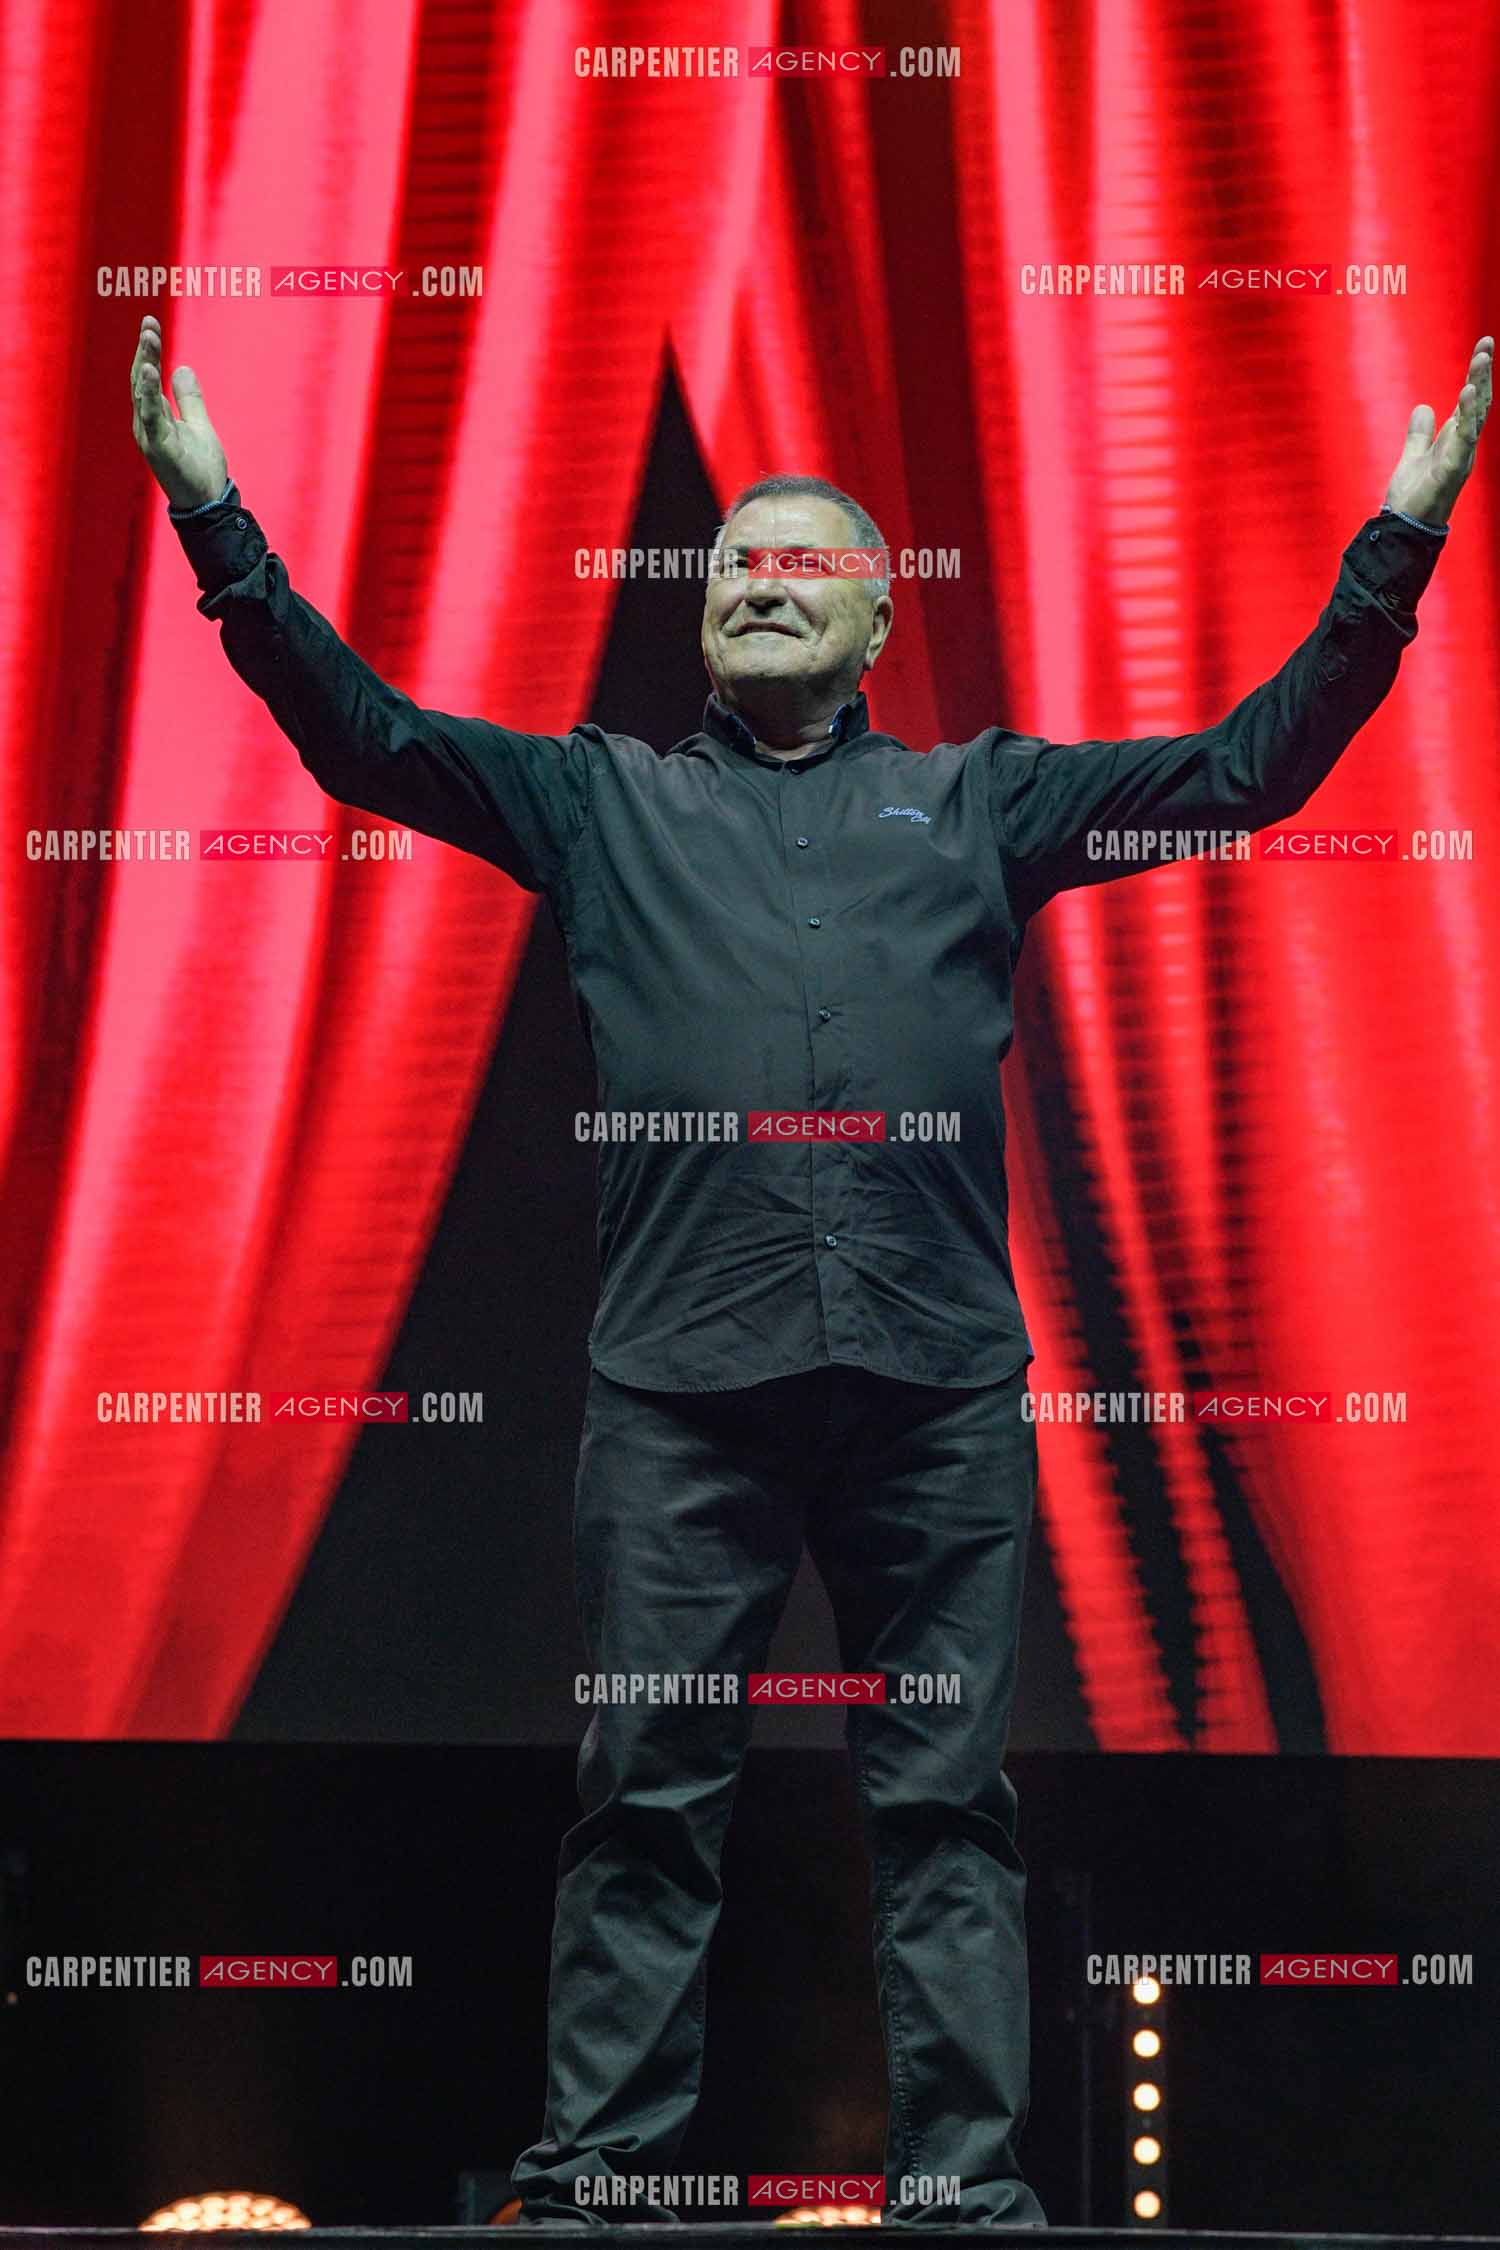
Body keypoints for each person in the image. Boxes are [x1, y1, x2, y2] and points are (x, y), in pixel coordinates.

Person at [131, 314, 1490, 2228]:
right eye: (734, 566)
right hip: (682, 1393)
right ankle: (601, 2175)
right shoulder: (602, 799)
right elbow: (366, 739)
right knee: (648, 1798)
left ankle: (959, 2196)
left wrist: (1398, 546)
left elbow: (1244, 774)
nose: (762, 582)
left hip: (932, 1394)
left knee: (946, 1809)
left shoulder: (986, 800)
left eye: (806, 564)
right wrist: (218, 521)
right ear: (703, 628)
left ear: (871, 622)